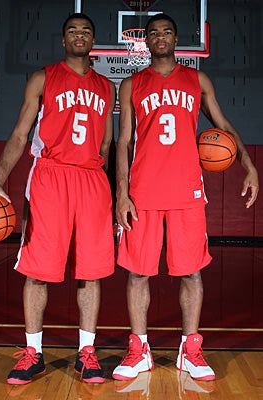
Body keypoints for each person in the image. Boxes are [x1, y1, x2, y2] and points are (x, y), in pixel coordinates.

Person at [0, 13, 116, 385]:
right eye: (72, 31)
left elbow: (107, 143)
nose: (79, 36)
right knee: (37, 270)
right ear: (63, 39)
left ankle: (87, 354)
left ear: (93, 40)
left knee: (91, 271)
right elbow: (20, 134)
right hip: (51, 177)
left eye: (85, 31)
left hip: (92, 180)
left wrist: (110, 190)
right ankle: (33, 353)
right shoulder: (43, 77)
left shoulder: (106, 86)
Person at [112, 13, 259, 382]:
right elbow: (124, 141)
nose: (160, 37)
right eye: (153, 33)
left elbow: (223, 126)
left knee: (192, 272)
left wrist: (249, 164)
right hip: (143, 191)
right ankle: (139, 349)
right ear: (145, 41)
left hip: (187, 191)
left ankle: (190, 350)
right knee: (137, 273)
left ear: (177, 39)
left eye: (167, 32)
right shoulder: (131, 84)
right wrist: (121, 194)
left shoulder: (197, 79)